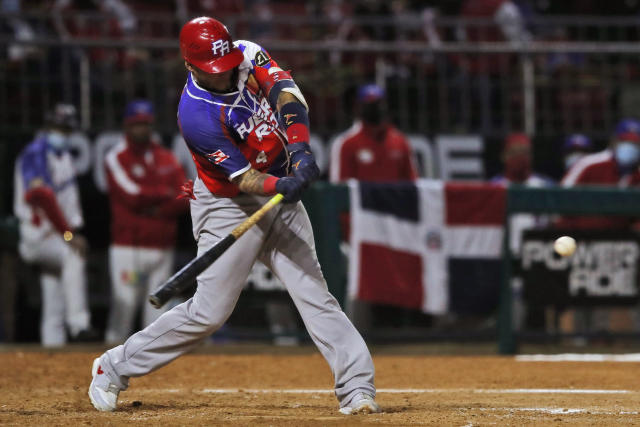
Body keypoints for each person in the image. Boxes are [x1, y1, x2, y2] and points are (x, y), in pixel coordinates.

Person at [89, 17, 380, 415]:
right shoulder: (195, 115)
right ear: (190, 66)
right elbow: (245, 179)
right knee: (209, 313)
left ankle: (357, 388)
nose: (224, 76)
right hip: (228, 205)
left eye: (225, 67)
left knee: (315, 294)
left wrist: (300, 151)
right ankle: (113, 366)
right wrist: (281, 186)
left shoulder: (244, 53)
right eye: (213, 71)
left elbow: (287, 94)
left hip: (279, 183)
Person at [103, 99, 189, 344]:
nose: (142, 129)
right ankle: (107, 368)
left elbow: (185, 195)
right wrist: (164, 194)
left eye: (146, 124)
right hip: (129, 248)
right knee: (124, 311)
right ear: (127, 126)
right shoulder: (117, 156)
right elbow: (131, 196)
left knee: (156, 317)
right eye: (137, 124)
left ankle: (153, 376)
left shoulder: (166, 157)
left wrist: (156, 208)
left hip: (162, 248)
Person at [13, 103, 98, 347]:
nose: (60, 132)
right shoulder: (35, 152)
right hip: (39, 235)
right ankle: (80, 324)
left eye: (65, 128)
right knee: (74, 256)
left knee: (54, 300)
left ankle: (53, 355)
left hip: (56, 235)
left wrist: (67, 232)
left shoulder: (63, 156)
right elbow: (41, 196)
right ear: (47, 126)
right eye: (56, 126)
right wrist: (69, 234)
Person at [329, 83, 417, 183]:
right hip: (361, 198)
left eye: (379, 103)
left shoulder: (401, 141)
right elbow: (339, 188)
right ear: (359, 107)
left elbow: (412, 182)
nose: (377, 108)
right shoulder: (346, 143)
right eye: (371, 105)